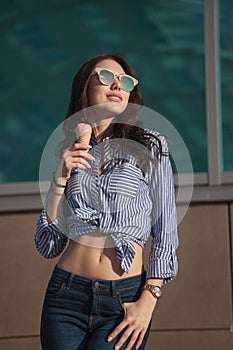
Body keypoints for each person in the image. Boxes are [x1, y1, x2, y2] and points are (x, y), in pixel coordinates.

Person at [35, 53, 179, 350]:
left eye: (125, 81)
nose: (116, 84)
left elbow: (165, 232)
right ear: (84, 89)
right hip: (65, 296)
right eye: (104, 77)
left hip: (123, 298)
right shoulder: (70, 152)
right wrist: (60, 180)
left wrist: (147, 302)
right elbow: (47, 244)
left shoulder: (151, 145)